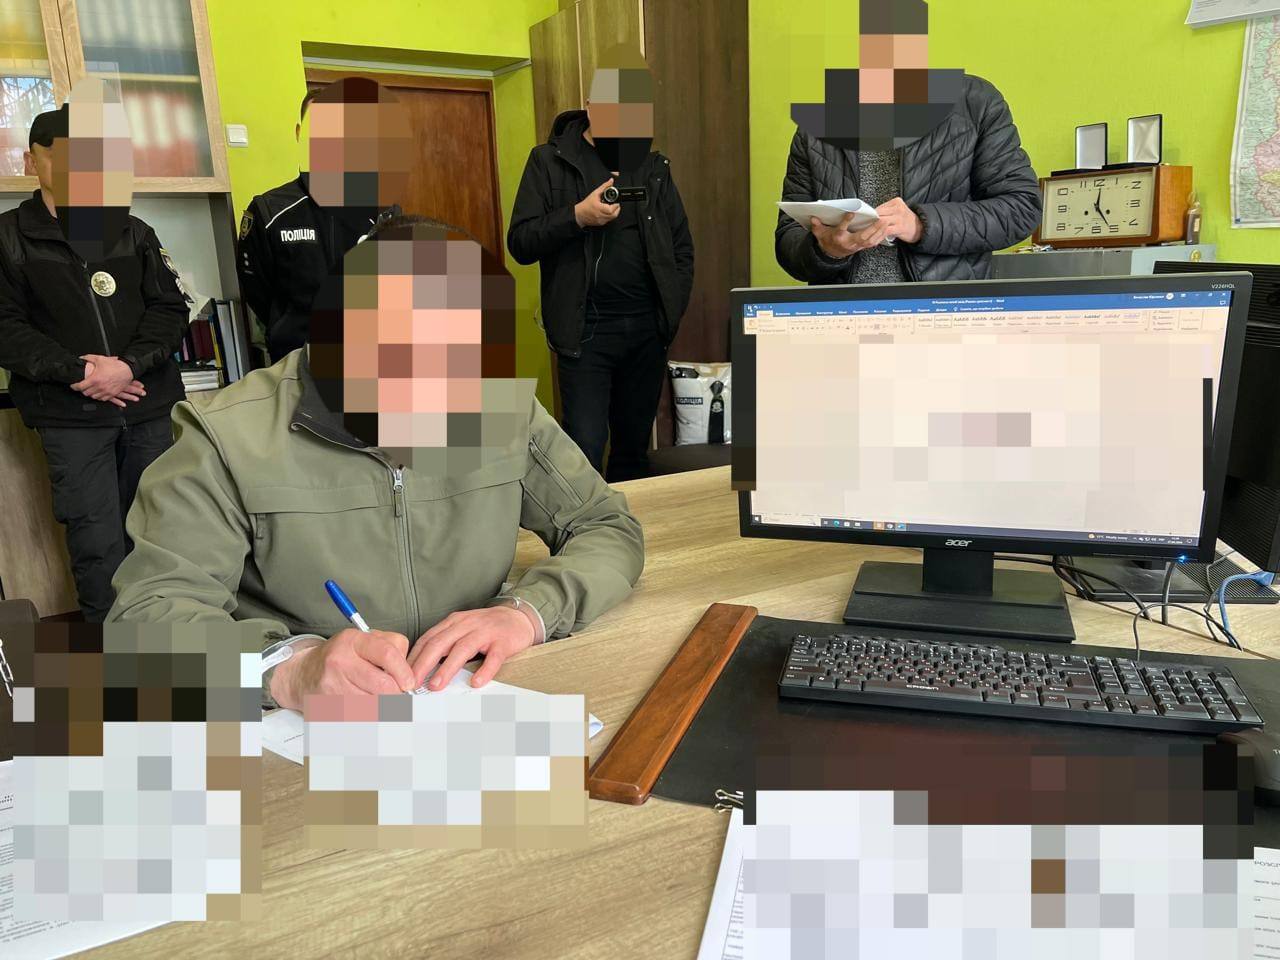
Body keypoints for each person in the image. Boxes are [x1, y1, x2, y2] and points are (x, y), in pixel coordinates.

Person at [108, 216, 644, 710]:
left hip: (470, 700)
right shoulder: (224, 435)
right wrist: (285, 669)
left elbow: (605, 524)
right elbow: (146, 619)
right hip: (300, 728)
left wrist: (528, 613)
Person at [0, 84, 188, 622]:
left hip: (148, 407)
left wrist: (128, 366)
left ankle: (179, 642)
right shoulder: (9, 237)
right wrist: (81, 372)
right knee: (97, 542)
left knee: (168, 533)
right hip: (72, 416)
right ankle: (120, 654)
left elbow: (170, 308)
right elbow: (6, 328)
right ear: (33, 161)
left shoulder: (131, 230)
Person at [508, 45, 694, 482]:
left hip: (646, 332)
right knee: (584, 450)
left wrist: (669, 312)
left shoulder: (653, 166)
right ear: (591, 106)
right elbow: (521, 242)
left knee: (633, 450)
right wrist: (577, 216)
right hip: (585, 332)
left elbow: (682, 249)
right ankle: (587, 524)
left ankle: (626, 522)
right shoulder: (548, 162)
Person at [776, 5, 1040, 285]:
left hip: (942, 308)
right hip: (845, 309)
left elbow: (1021, 208)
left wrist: (922, 225)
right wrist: (826, 250)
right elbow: (787, 241)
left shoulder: (976, 104)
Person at [237, 77, 409, 363]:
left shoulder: (384, 209)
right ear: (299, 134)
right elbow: (259, 293)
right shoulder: (269, 211)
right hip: (299, 364)